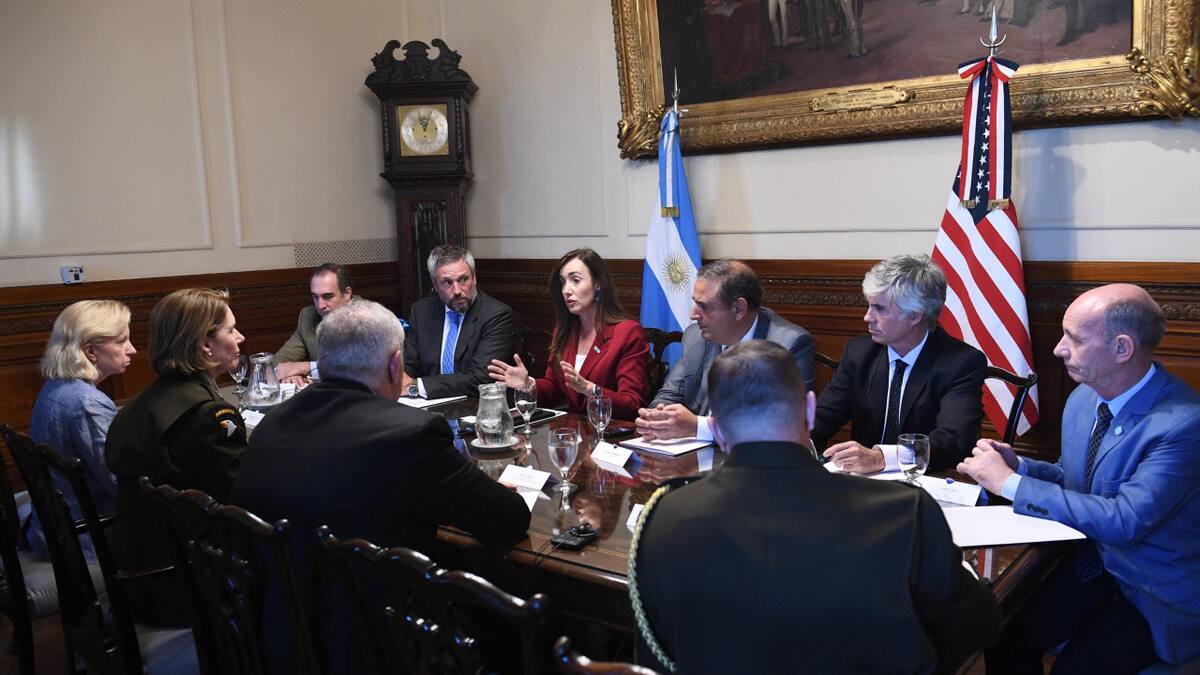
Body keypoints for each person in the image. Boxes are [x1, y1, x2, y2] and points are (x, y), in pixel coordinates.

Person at [629, 340, 1001, 673]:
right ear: (809, 410)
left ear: (717, 429)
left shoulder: (664, 517)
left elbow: (655, 655)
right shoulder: (904, 513)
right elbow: (974, 628)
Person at [232, 299, 530, 675]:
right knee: (515, 625)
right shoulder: (409, 433)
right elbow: (508, 519)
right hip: (377, 647)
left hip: (276, 639)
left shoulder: (271, 425)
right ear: (394, 364)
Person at [959, 284, 1200, 672]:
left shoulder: (1183, 424)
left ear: (1122, 349)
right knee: (1003, 633)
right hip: (1090, 562)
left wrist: (1010, 485)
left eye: (1074, 338)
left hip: (1149, 590)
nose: (1058, 349)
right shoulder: (1085, 397)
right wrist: (1020, 467)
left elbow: (1124, 520)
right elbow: (1074, 477)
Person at [106, 288, 247, 626]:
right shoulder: (209, 416)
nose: (240, 337)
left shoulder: (138, 405)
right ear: (205, 345)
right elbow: (240, 503)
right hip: (187, 588)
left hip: (138, 577)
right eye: (231, 330)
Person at [813, 254, 986, 474]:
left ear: (915, 316)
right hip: (862, 481)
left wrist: (882, 458)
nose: (867, 317)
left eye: (880, 308)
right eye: (869, 306)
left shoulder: (960, 362)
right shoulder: (859, 352)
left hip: (929, 480)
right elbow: (823, 417)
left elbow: (952, 440)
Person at [636, 259, 814, 442]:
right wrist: (655, 418)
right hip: (693, 452)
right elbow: (669, 395)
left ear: (738, 309)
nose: (693, 315)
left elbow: (781, 425)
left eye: (704, 306)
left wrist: (699, 427)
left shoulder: (787, 345)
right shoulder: (696, 336)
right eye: (695, 303)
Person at [28, 300, 136, 561]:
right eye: (121, 341)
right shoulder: (87, 403)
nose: (132, 349)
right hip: (89, 536)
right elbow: (120, 483)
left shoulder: (55, 386)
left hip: (53, 527)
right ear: (90, 351)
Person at [488, 248, 649, 421]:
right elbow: (555, 389)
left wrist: (590, 389)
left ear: (598, 284)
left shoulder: (627, 332)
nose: (566, 290)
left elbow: (633, 404)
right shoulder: (564, 331)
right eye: (563, 282)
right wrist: (529, 384)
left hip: (613, 431)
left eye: (575, 280)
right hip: (573, 430)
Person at [402, 245, 516, 399]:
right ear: (435, 285)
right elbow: (409, 365)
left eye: (463, 280)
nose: (457, 291)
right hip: (427, 404)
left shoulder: (496, 315)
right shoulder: (421, 311)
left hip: (476, 405)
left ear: (474, 278)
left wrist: (417, 386)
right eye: (447, 283)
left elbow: (481, 378)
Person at [272, 262, 354, 384]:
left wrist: (304, 367)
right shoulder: (308, 317)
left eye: (327, 296)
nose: (320, 306)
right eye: (315, 297)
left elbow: (358, 369)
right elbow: (276, 363)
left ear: (347, 294)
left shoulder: (368, 318)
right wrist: (289, 375)